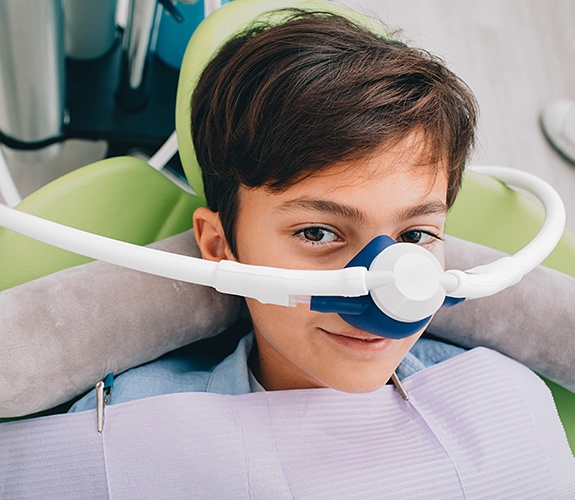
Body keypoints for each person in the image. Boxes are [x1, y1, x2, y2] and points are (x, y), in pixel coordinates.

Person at [68, 9, 575, 494]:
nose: (385, 288)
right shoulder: (124, 426)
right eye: (317, 233)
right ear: (221, 247)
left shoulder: (499, 401)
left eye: (416, 236)